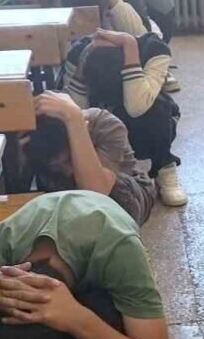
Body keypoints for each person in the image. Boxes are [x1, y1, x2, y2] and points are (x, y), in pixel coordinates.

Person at [0, 190, 172, 339]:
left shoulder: (121, 251)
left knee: (107, 318)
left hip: (105, 224)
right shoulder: (0, 245)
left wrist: (78, 319)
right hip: (51, 219)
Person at [62, 29, 186, 207]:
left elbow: (137, 106)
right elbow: (74, 111)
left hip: (142, 112)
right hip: (98, 112)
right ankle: (96, 170)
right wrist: (82, 66)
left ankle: (164, 167)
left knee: (156, 108)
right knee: (69, 118)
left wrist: (130, 46)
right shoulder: (79, 53)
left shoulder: (155, 50)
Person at [22, 90, 157, 225]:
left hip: (124, 193)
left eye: (68, 161)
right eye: (57, 166)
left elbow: (97, 192)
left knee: (110, 193)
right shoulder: (35, 139)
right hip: (67, 192)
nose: (68, 170)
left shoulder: (105, 124)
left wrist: (75, 120)